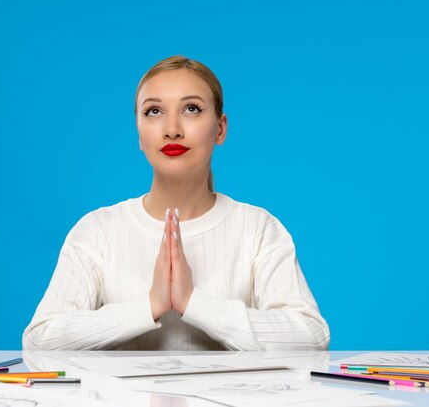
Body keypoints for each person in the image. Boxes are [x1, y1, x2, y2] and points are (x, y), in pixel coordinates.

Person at [22, 55, 330, 351]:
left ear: (220, 128)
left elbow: (311, 335)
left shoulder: (259, 228)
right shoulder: (97, 230)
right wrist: (150, 304)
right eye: (154, 111)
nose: (172, 129)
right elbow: (40, 338)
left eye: (192, 109)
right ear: (139, 133)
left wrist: (194, 303)